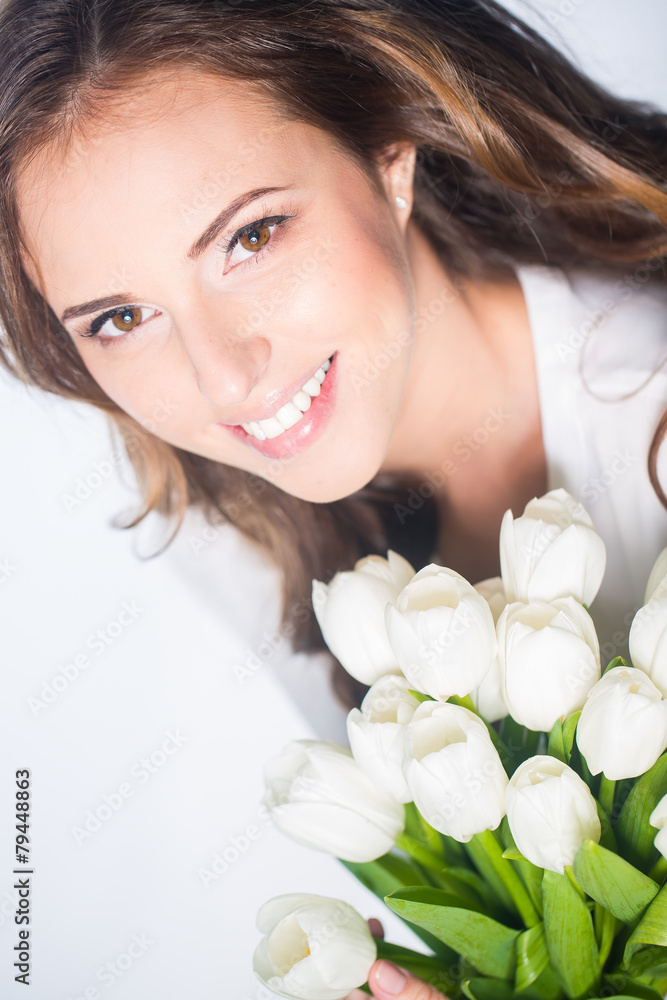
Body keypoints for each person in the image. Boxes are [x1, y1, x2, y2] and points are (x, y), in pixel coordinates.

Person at [0, 1, 665, 997]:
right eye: (123, 316)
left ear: (388, 154)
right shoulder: (230, 525)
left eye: (252, 236)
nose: (225, 380)